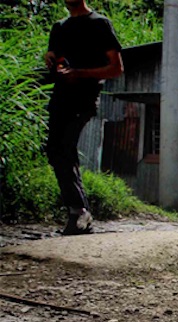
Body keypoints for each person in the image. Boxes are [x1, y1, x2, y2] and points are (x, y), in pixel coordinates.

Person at [43, 0, 123, 235]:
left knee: (65, 147)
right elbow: (56, 61)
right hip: (60, 96)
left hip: (84, 98)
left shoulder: (99, 24)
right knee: (55, 150)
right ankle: (79, 210)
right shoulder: (60, 27)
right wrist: (50, 58)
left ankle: (79, 211)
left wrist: (81, 74)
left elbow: (116, 68)